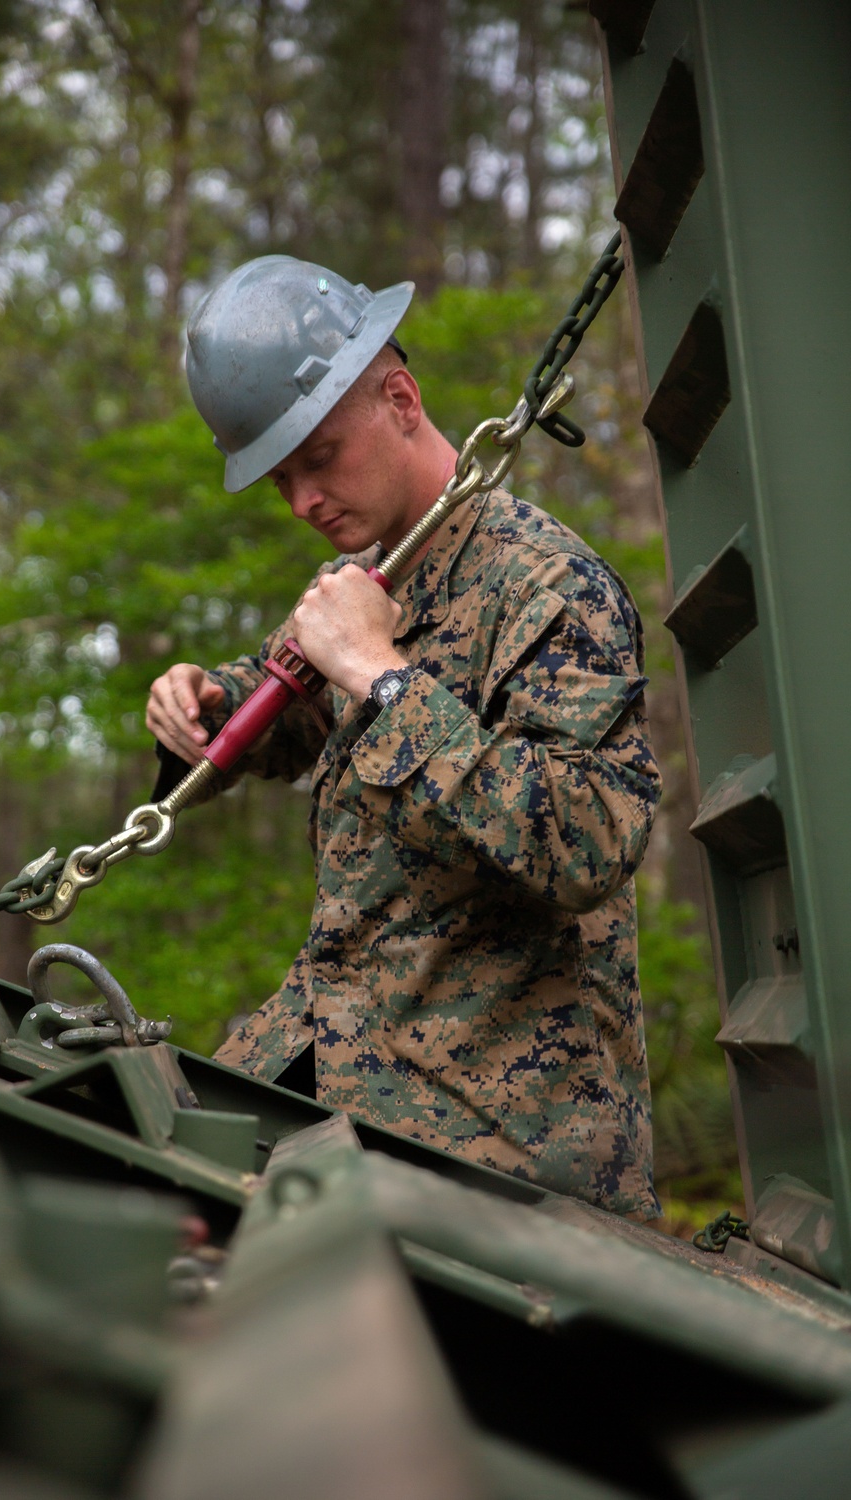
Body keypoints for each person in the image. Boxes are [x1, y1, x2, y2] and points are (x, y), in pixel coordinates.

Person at [147, 255, 662, 1218]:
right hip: (329, 1076)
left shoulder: (548, 585)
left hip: (495, 1140)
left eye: (319, 459)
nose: (302, 501)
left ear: (400, 396)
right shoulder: (379, 574)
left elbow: (588, 838)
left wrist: (384, 680)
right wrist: (203, 704)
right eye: (279, 479)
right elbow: (288, 705)